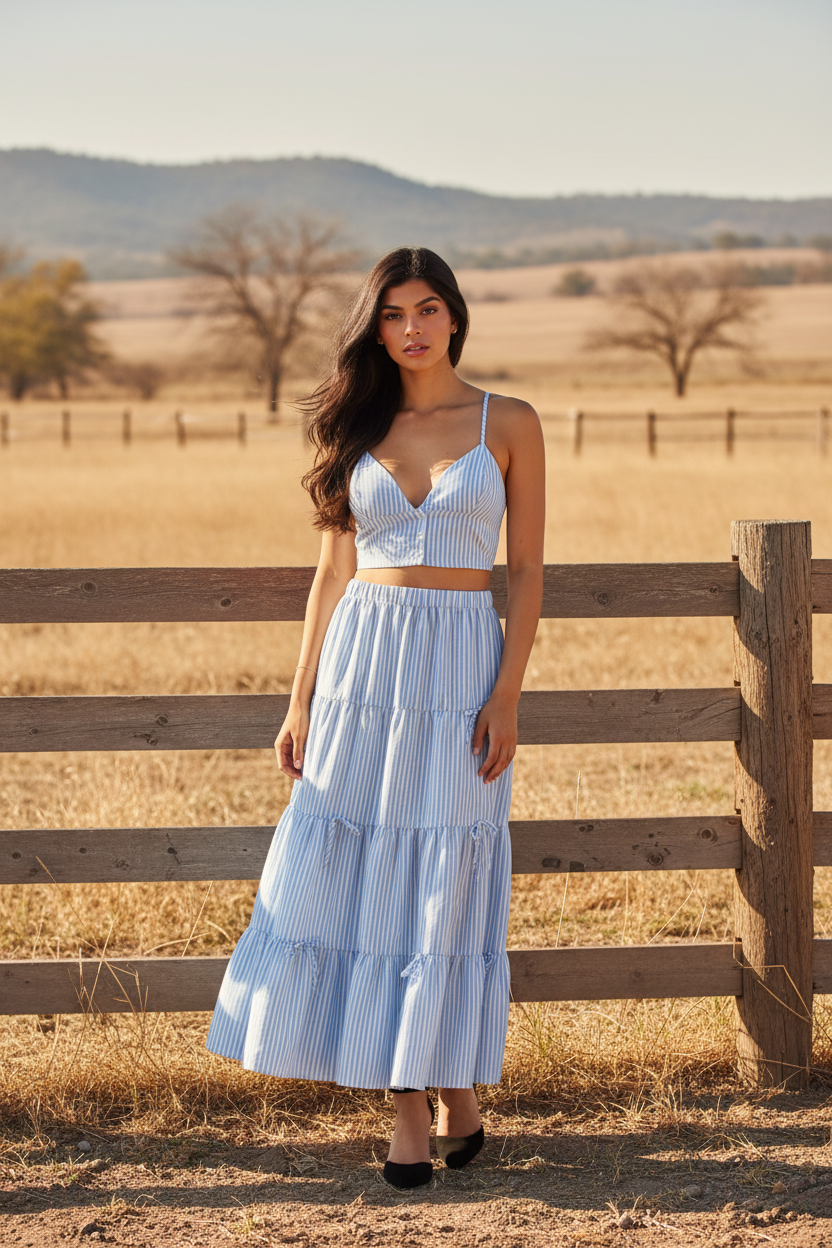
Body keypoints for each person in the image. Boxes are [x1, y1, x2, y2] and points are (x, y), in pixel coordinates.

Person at [206, 246, 545, 1188]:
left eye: (427, 308)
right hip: (364, 670)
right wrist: (300, 699)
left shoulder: (509, 422)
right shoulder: (356, 425)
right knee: (367, 878)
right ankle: (409, 1107)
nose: (411, 328)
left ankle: (458, 1087)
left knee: (444, 874)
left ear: (454, 316)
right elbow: (332, 574)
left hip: (461, 666)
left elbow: (524, 571)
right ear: (376, 328)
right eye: (393, 314)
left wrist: (507, 694)